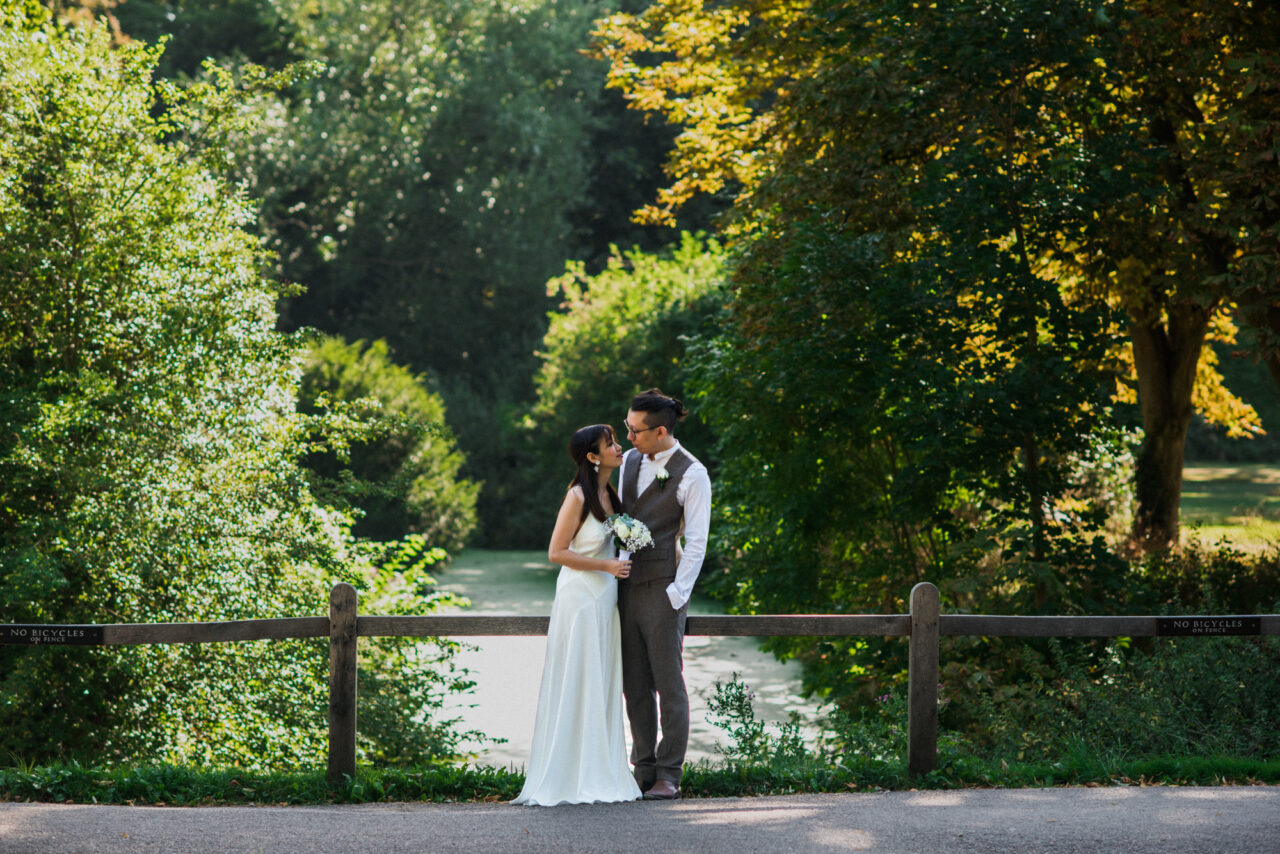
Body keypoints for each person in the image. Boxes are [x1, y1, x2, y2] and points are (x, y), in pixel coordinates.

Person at [512, 424, 643, 806]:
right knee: (578, 677)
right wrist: (606, 567)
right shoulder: (578, 496)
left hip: (604, 599)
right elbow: (556, 553)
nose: (619, 448)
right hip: (581, 597)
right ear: (592, 456)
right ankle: (569, 773)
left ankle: (598, 767)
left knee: (599, 679)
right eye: (611, 444)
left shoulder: (610, 493)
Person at [618, 389, 712, 800]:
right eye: (626, 428)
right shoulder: (629, 462)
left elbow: (697, 540)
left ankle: (669, 774)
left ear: (660, 431)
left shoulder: (693, 473)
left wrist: (677, 594)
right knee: (634, 683)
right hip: (623, 586)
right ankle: (643, 769)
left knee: (668, 683)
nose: (628, 438)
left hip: (663, 589)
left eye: (635, 430)